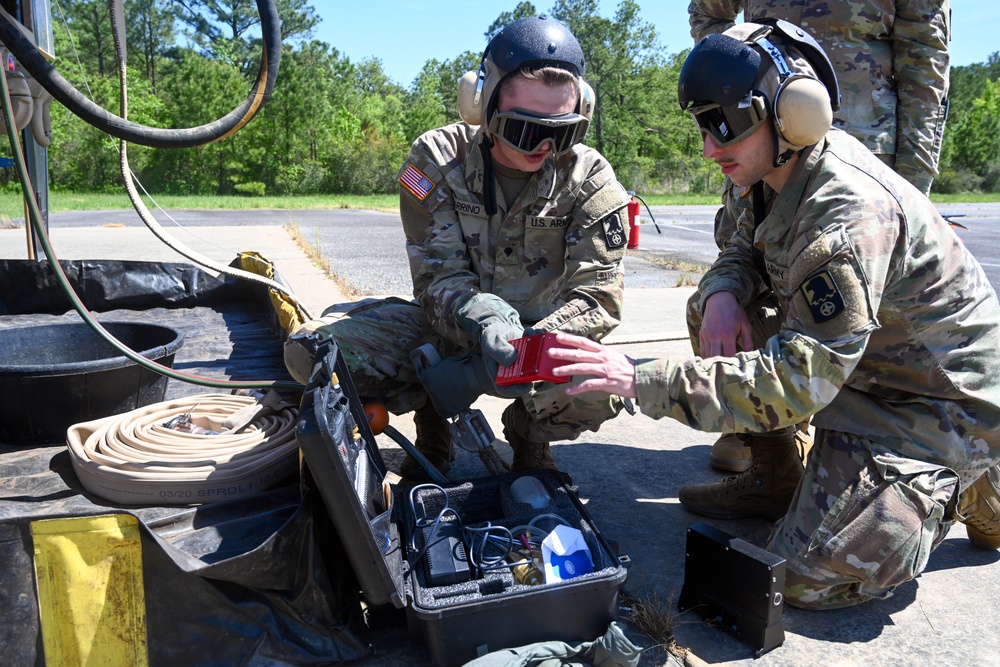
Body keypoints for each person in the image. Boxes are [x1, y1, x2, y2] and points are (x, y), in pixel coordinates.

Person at [545, 20, 1000, 609]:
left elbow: (796, 381)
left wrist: (641, 378)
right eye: (702, 125)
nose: (710, 147)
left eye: (722, 124)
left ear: (792, 114)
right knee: (710, 309)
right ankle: (779, 475)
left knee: (804, 581)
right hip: (858, 371)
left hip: (933, 403)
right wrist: (724, 292)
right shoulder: (763, 170)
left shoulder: (845, 217)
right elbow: (740, 249)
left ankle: (971, 481)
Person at [284, 16, 631, 479]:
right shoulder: (435, 160)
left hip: (543, 337)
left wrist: (517, 354)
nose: (545, 147)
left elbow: (598, 298)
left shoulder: (590, 177)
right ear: (483, 104)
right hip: (448, 326)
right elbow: (438, 278)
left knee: (600, 386)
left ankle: (531, 443)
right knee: (314, 352)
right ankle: (434, 433)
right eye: (526, 130)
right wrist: (486, 318)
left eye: (563, 131)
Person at [687, 0, 952, 476]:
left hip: (866, 152)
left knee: (866, 332)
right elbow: (710, 12)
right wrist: (727, 98)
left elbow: (925, 66)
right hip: (759, 136)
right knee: (726, 298)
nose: (705, 151)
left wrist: (909, 195)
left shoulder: (864, 197)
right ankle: (773, 465)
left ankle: (967, 475)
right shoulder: (746, 149)